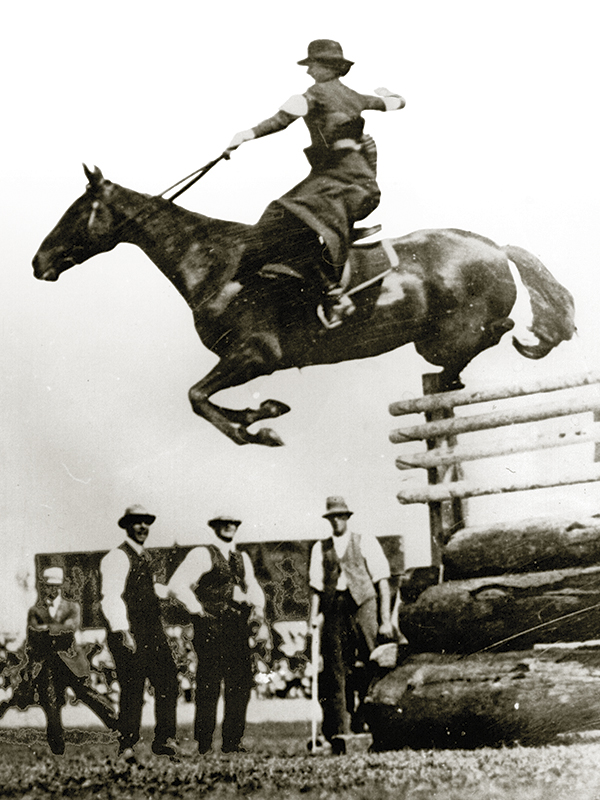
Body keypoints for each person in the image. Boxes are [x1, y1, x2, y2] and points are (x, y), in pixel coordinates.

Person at [216, 39, 405, 326]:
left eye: (313, 66)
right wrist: (387, 92)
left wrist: (244, 135)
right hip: (354, 181)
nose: (309, 72)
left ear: (328, 68)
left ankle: (335, 295)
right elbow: (397, 103)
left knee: (283, 211)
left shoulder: (312, 95)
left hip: (341, 183)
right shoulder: (357, 96)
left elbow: (279, 121)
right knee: (284, 213)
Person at [167, 513, 271, 754]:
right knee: (209, 684)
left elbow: (253, 586)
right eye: (223, 523)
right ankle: (204, 743)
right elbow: (176, 584)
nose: (229, 526)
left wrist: (257, 607)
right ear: (214, 527)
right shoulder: (203, 554)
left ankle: (232, 741)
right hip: (211, 626)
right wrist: (198, 610)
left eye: (233, 522)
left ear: (237, 526)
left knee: (240, 682)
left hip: (237, 626)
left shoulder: (241, 557)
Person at [0, 566, 117, 755]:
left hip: (71, 662)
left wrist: (48, 629)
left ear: (61, 586)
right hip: (47, 665)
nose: (51, 590)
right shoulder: (36, 610)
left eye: (55, 586)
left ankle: (118, 726)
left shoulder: (72, 606)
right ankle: (57, 746)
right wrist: (55, 629)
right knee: (50, 703)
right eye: (48, 586)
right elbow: (35, 631)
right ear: (43, 586)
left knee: (88, 695)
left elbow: (69, 629)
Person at [308, 496, 393, 751]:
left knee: (372, 660)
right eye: (332, 516)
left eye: (341, 516)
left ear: (347, 517)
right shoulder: (319, 548)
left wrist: (385, 619)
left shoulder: (364, 540)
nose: (337, 520)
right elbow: (316, 587)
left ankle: (369, 722)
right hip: (335, 607)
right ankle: (341, 731)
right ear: (328, 519)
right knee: (336, 667)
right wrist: (313, 616)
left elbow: (383, 581)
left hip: (364, 604)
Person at [100, 505, 179, 761]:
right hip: (130, 631)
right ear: (126, 525)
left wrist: (171, 592)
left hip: (152, 631)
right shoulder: (117, 556)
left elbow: (147, 589)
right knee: (133, 689)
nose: (143, 527)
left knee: (168, 681)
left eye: (146, 522)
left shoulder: (144, 557)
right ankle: (127, 746)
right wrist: (122, 631)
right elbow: (110, 597)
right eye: (137, 522)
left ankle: (164, 739)